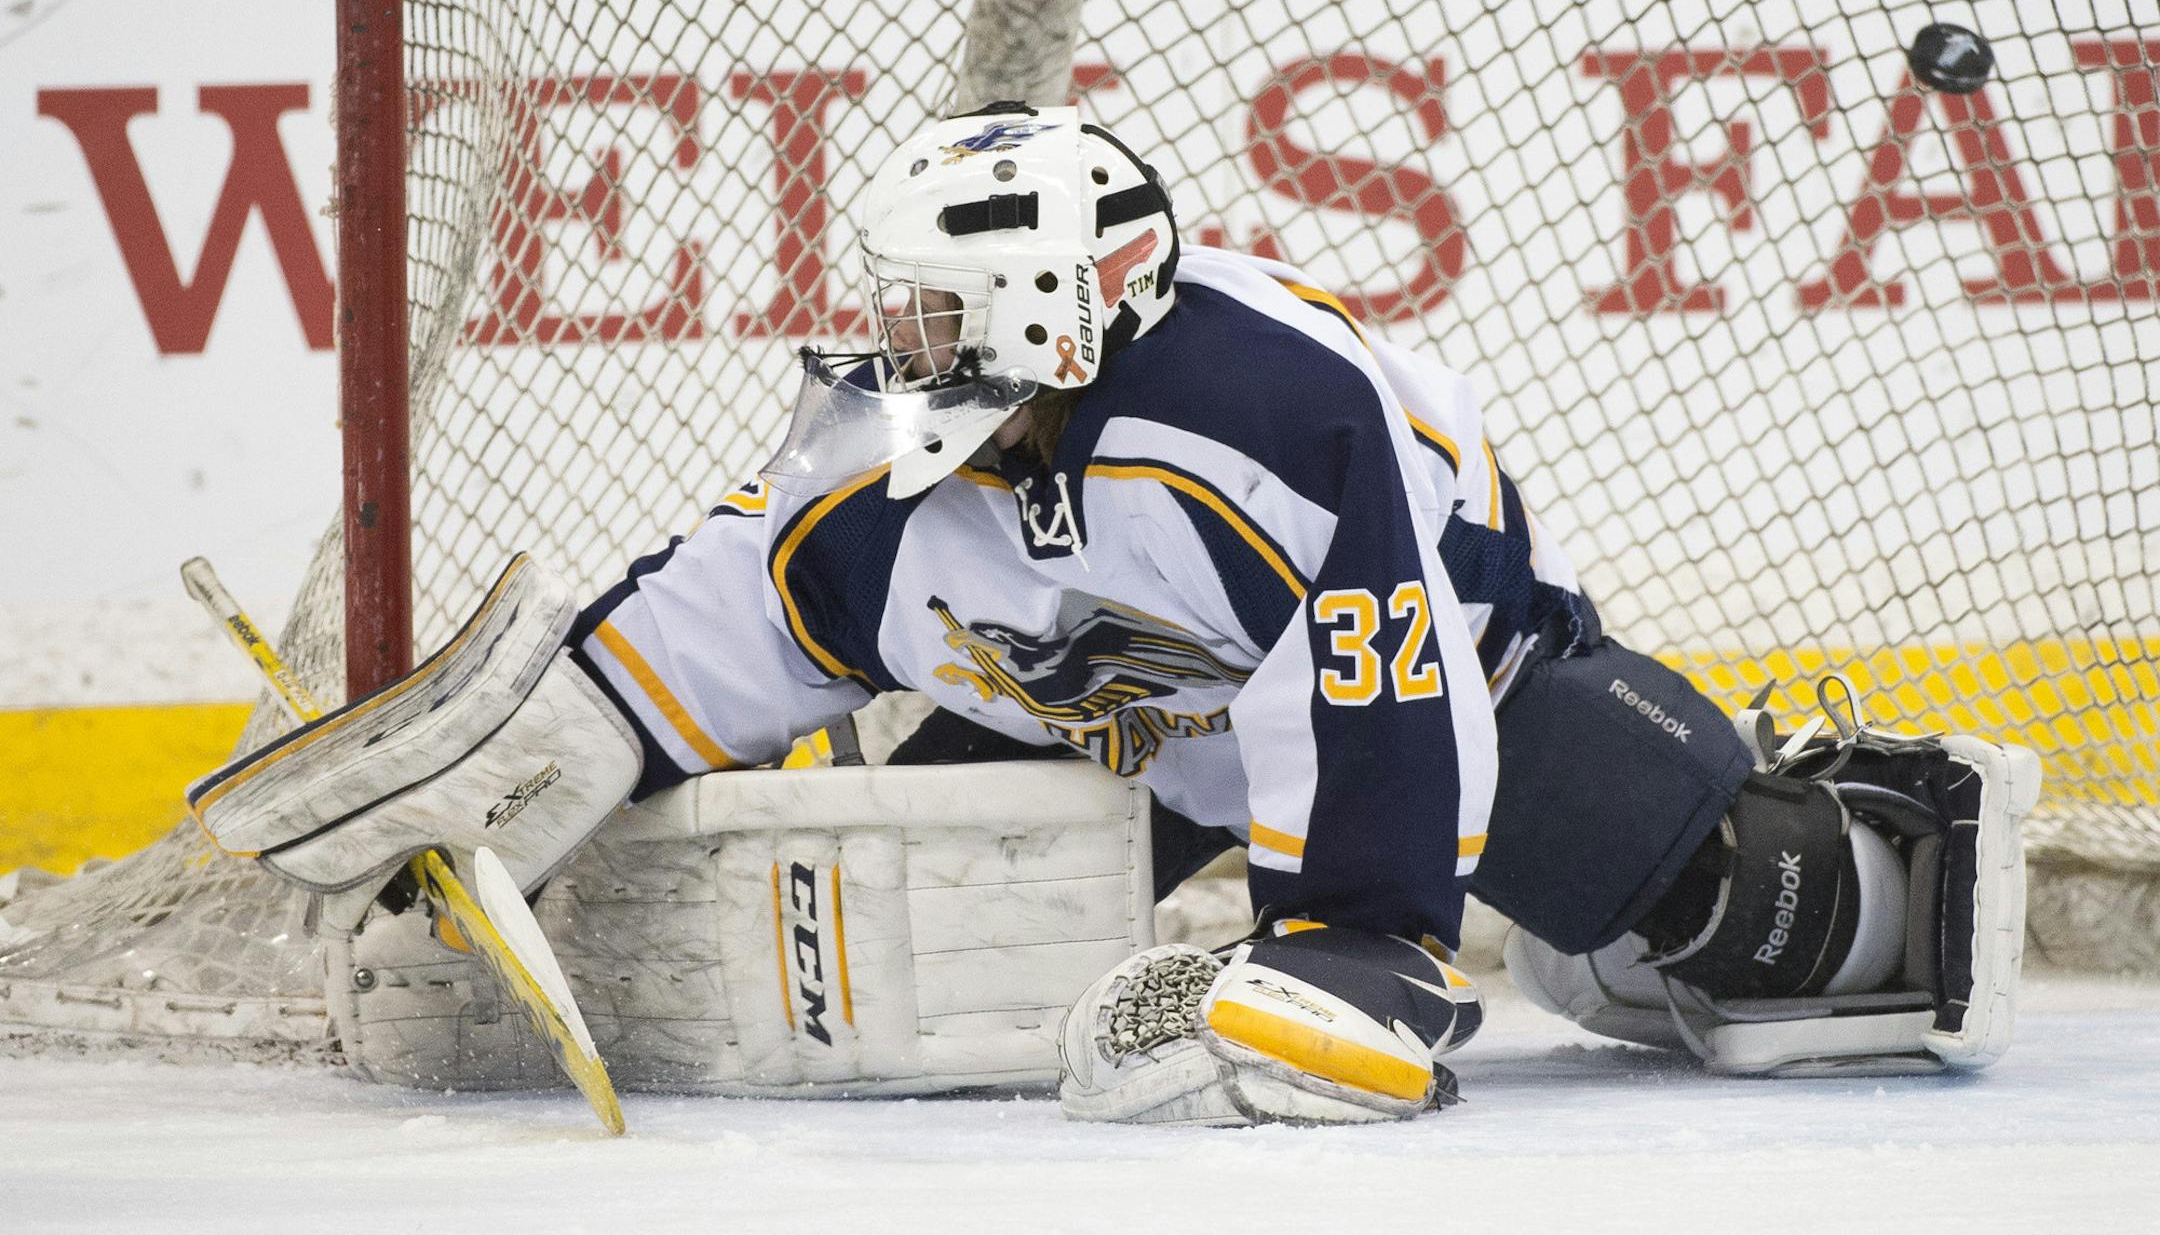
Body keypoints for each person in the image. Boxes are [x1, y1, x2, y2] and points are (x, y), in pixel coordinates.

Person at [190, 105, 2035, 1125]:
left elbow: (1378, 666)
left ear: (1068, 305)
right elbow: (754, 595)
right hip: (1122, 714)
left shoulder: (1268, 412)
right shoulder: (892, 452)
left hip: (1466, 684)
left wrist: (1361, 941)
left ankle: (1789, 858)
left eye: (938, 314)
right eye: (895, 310)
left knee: (1757, 920)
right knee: (901, 913)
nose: (896, 347)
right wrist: (575, 726)